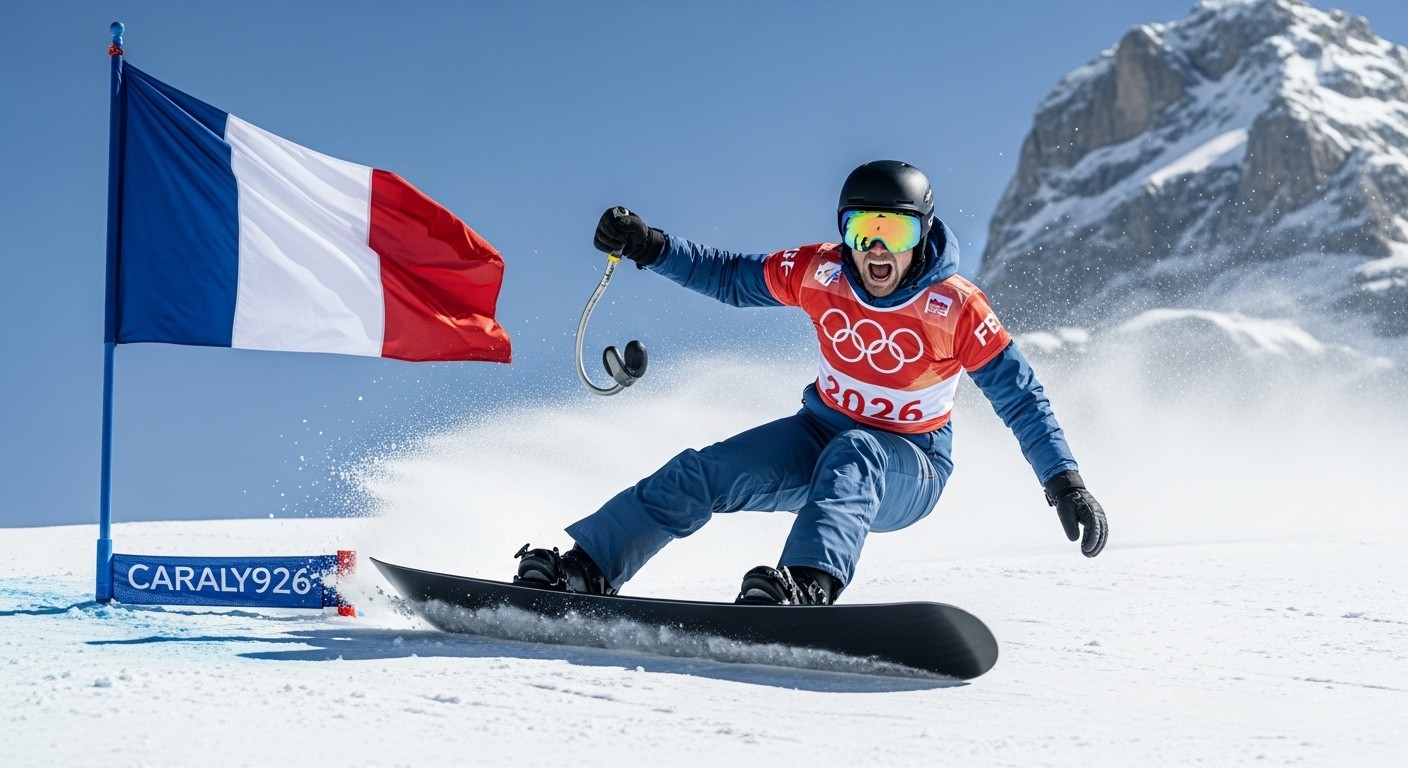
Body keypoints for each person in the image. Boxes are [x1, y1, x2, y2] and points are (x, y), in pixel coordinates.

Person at [515, 160, 1107, 605]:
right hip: (817, 435)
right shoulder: (820, 272)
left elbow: (1021, 399)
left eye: (895, 232)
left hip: (911, 466)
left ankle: (808, 585)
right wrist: (651, 247)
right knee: (702, 471)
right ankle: (587, 569)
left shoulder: (956, 308)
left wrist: (1065, 484)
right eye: (862, 230)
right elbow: (731, 278)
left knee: (858, 451)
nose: (877, 249)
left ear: (923, 235)